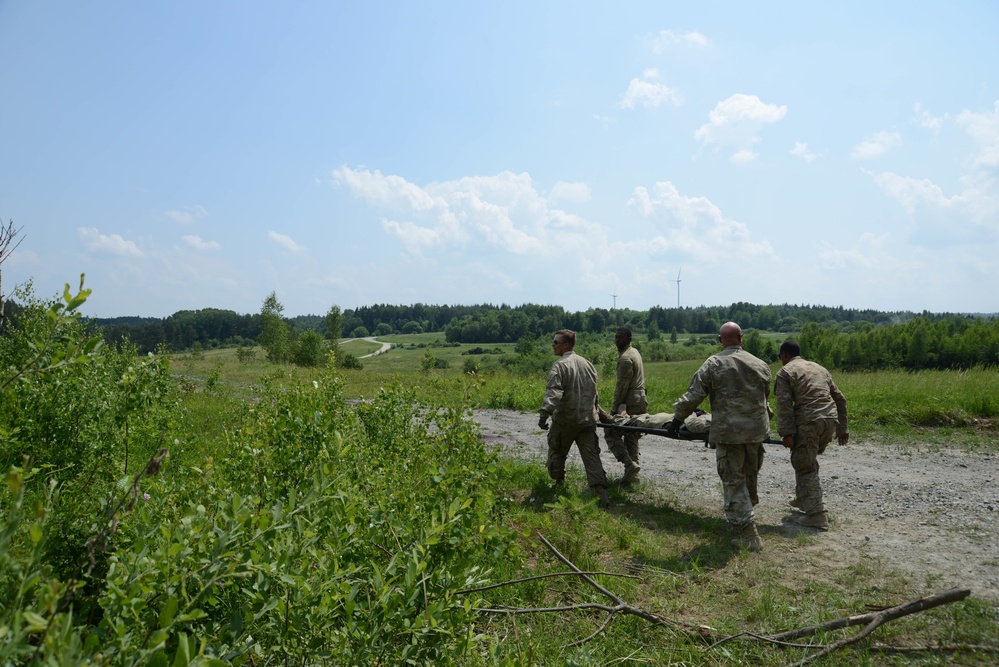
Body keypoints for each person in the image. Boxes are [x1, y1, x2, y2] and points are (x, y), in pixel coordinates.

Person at [666, 322, 772, 551]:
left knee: (733, 479)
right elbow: (765, 397)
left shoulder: (714, 363)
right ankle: (745, 518)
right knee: (750, 475)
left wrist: (677, 419)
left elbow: (694, 395)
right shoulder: (761, 364)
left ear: (719, 339)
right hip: (756, 431)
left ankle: (748, 534)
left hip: (730, 432)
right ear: (741, 338)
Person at [774, 339, 849, 531]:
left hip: (809, 422)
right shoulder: (819, 369)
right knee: (806, 458)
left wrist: (787, 433)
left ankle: (816, 515)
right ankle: (802, 499)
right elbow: (840, 399)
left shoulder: (785, 372)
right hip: (830, 421)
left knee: (804, 463)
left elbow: (784, 407)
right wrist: (842, 429)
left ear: (784, 355)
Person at [538, 329, 611, 507]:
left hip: (566, 420)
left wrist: (544, 414)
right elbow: (594, 393)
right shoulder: (588, 364)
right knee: (592, 456)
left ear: (566, 345)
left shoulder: (560, 365)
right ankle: (600, 494)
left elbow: (554, 393)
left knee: (557, 451)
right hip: (587, 420)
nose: (552, 345)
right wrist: (601, 414)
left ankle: (558, 485)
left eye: (555, 342)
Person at [603, 327, 647, 485]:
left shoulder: (625, 358)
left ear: (629, 338)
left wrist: (614, 410)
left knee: (610, 431)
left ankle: (629, 465)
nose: (617, 340)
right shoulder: (635, 352)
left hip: (630, 401)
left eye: (621, 337)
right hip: (640, 398)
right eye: (615, 337)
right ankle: (633, 477)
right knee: (631, 436)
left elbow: (622, 386)